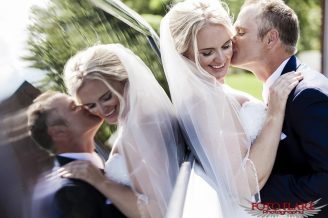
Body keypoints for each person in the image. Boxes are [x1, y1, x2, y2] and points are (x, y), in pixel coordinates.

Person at [160, 0, 302, 216]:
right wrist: (274, 113)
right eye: (207, 52)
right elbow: (244, 185)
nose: (221, 59)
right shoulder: (203, 103)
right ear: (183, 53)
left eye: (226, 46)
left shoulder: (212, 88)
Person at [61, 44, 182, 218]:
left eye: (106, 97)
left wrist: (99, 181)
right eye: (90, 105)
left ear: (124, 79)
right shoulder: (147, 117)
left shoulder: (137, 131)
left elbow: (157, 211)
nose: (102, 110)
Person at [232, 0, 328, 216]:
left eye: (240, 31)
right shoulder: (277, 86)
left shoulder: (307, 96)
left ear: (270, 39)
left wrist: (256, 195)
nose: (232, 39)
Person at [27, 91, 127, 218]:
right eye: (74, 107)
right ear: (59, 132)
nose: (84, 105)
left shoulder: (101, 158)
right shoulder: (68, 191)